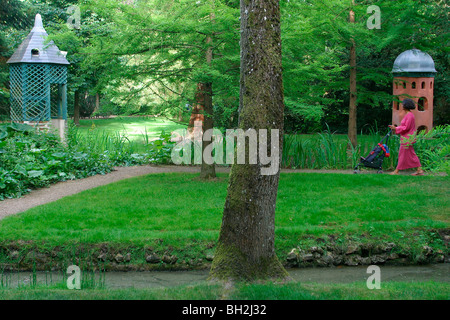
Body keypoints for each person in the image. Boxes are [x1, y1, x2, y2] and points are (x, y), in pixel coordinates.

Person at [388, 98, 424, 175]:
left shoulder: (409, 116)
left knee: (402, 154)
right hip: (407, 138)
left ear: (406, 106)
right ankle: (419, 170)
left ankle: (396, 171)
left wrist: (396, 128)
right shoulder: (408, 115)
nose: (402, 105)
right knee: (411, 154)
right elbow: (404, 126)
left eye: (403, 104)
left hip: (407, 138)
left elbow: (406, 127)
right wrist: (396, 128)